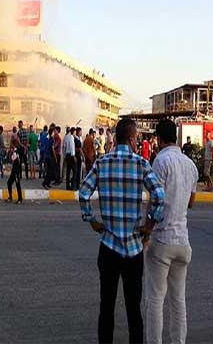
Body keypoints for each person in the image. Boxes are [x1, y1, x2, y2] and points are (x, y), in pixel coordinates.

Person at [79, 118, 165, 344]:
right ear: (131, 138)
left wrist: (91, 219)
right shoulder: (141, 163)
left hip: (108, 246)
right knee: (133, 309)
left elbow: (83, 193)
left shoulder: (102, 162)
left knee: (106, 307)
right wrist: (149, 224)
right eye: (137, 138)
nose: (137, 142)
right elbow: (159, 196)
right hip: (133, 249)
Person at [143, 119, 198, 344]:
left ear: (158, 138)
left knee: (155, 300)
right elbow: (191, 202)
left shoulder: (161, 161)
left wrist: (147, 230)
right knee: (178, 300)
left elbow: (155, 201)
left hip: (162, 239)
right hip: (182, 242)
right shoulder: (190, 165)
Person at [6, 138, 23, 204]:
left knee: (17, 184)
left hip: (16, 170)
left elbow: (12, 159)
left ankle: (20, 199)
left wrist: (11, 152)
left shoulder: (16, 151)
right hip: (15, 170)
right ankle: (10, 197)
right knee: (9, 183)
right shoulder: (19, 149)